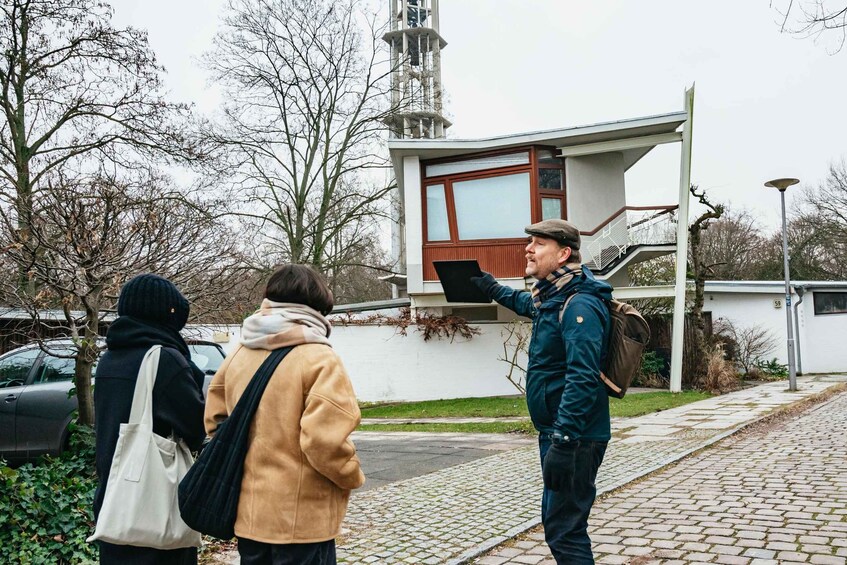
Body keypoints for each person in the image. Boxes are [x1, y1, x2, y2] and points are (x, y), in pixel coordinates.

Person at [472, 219, 612, 565]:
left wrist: (564, 441)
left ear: (563, 253)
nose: (528, 249)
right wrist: (489, 286)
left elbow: (583, 376)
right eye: (529, 242)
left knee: (565, 529)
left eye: (538, 243)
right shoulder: (553, 296)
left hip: (573, 437)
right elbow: (524, 303)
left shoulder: (580, 304)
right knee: (560, 525)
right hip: (560, 433)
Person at [205, 264, 365, 565]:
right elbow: (323, 442)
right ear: (319, 305)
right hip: (303, 519)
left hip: (250, 514)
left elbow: (216, 422)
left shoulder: (239, 353)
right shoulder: (319, 358)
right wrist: (351, 475)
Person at [93, 274, 207, 565]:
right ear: (167, 314)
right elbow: (195, 430)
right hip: (153, 505)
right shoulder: (166, 360)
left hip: (115, 501)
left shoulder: (108, 359)